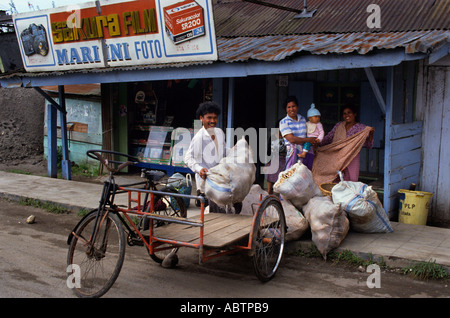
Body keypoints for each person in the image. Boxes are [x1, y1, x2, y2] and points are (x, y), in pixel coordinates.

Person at [184, 101, 242, 213]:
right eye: (209, 118)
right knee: (212, 212)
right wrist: (199, 169)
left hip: (220, 177)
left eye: (215, 118)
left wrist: (236, 151)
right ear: (201, 118)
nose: (212, 121)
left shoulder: (219, 132)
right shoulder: (199, 138)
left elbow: (224, 151)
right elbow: (188, 158)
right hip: (207, 181)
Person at [319, 105, 374, 182]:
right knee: (335, 179)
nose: (347, 115)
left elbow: (369, 145)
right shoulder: (339, 125)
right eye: (344, 113)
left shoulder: (361, 128)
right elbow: (329, 137)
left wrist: (371, 134)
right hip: (337, 157)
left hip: (352, 157)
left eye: (349, 112)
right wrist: (318, 144)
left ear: (355, 114)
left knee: (351, 180)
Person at [279, 96, 318, 170]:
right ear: (286, 109)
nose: (291, 109)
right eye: (289, 107)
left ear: (297, 107)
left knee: (305, 174)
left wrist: (313, 140)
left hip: (305, 150)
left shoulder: (302, 119)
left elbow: (308, 134)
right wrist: (308, 140)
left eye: (293, 106)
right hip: (293, 152)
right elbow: (291, 139)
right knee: (292, 174)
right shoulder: (283, 122)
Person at [298, 103, 324, 170]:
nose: (318, 118)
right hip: (308, 139)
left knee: (307, 143)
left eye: (319, 117)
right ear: (310, 118)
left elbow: (321, 132)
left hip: (314, 139)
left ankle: (304, 153)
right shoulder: (307, 124)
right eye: (316, 116)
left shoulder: (318, 124)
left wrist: (319, 139)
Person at [265, 127, 286, 194]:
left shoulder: (286, 137)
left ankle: (281, 192)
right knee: (270, 173)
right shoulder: (273, 137)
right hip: (274, 157)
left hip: (284, 158)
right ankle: (269, 190)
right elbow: (269, 150)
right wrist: (268, 161)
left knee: (282, 175)